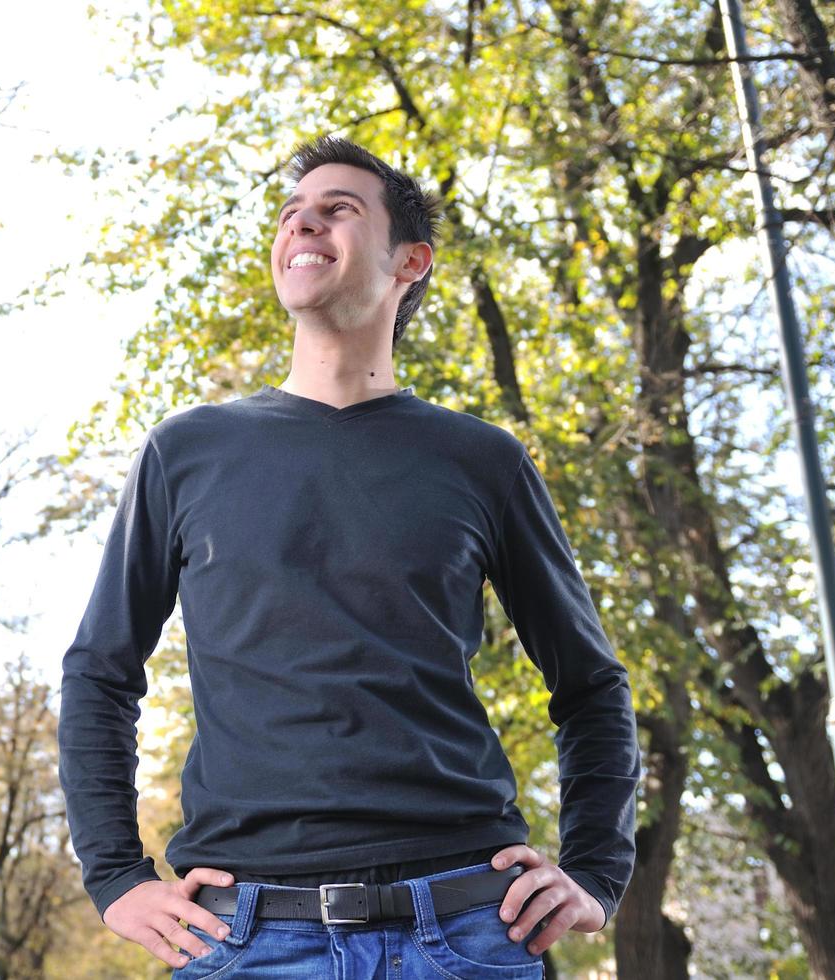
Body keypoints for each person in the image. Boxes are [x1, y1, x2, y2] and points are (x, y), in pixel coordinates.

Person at [57, 135, 641, 978]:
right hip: (246, 940)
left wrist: (595, 870)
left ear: (410, 260)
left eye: (339, 209)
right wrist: (114, 876)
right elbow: (99, 673)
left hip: (469, 932)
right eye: (292, 212)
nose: (304, 222)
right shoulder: (186, 453)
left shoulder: (483, 461)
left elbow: (591, 686)